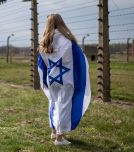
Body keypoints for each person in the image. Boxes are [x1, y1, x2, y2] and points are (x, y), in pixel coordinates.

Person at [38, 14, 91, 146]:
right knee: (64, 105)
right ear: (61, 23)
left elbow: (42, 63)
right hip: (66, 79)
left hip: (52, 79)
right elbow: (79, 60)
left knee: (53, 102)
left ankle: (54, 131)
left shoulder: (45, 42)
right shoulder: (68, 41)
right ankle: (60, 138)